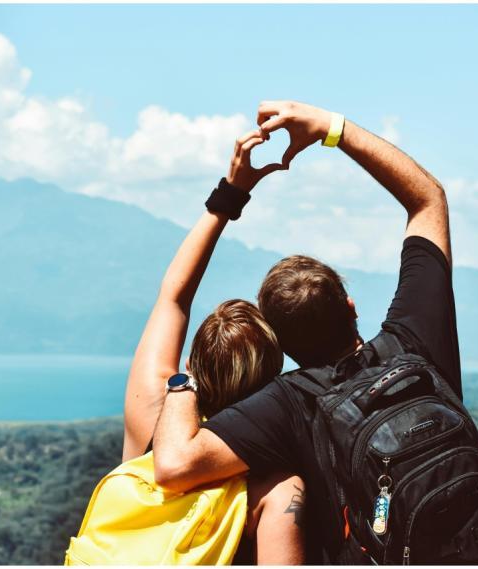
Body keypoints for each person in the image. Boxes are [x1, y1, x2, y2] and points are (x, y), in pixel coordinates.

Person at [151, 100, 465, 563]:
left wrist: (185, 381)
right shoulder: (416, 340)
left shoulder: (290, 404)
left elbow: (174, 464)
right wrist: (330, 128)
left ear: (280, 343)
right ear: (351, 307)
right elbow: (427, 198)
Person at [121, 128, 306, 564]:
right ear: (272, 379)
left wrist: (232, 194)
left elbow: (174, 295)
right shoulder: (274, 483)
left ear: (191, 363)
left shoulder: (151, 411)